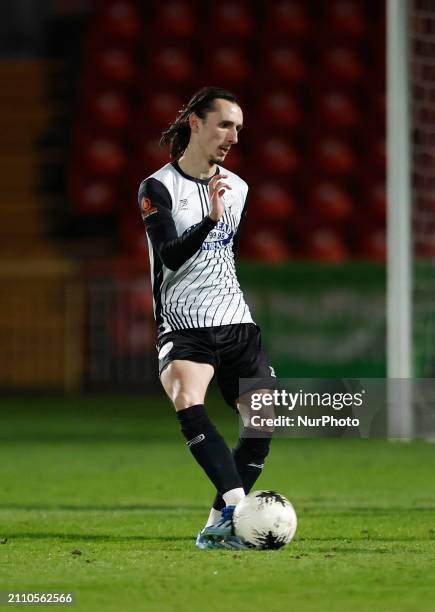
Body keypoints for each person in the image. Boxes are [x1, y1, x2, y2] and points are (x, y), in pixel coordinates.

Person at [138, 86, 276, 549]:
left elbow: (222, 258)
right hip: (184, 323)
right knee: (187, 398)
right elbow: (172, 256)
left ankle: (219, 523)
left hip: (236, 320)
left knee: (263, 422)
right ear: (195, 123)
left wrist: (219, 219)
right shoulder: (157, 187)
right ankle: (239, 507)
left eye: (238, 127)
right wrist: (209, 220)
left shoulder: (238, 188)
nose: (233, 135)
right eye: (224, 124)